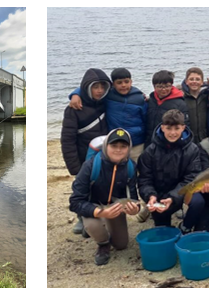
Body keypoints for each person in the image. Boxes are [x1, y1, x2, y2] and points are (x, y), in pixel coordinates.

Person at [69, 128, 140, 265]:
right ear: (106, 146)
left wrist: (135, 210)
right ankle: (103, 244)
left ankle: (104, 228)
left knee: (121, 244)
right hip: (94, 206)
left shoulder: (131, 167)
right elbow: (75, 202)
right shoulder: (90, 166)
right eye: (114, 146)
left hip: (116, 206)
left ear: (129, 148)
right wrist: (100, 212)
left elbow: (133, 197)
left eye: (123, 146)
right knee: (93, 226)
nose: (118, 150)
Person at [62, 68, 113, 235]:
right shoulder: (74, 108)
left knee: (102, 186)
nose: (99, 91)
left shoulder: (106, 102)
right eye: (95, 87)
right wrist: (74, 166)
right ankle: (81, 218)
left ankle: (99, 216)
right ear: (87, 87)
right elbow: (67, 140)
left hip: (104, 155)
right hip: (83, 156)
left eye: (102, 87)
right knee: (82, 188)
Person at [138, 109, 204, 230]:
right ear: (162, 128)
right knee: (163, 230)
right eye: (168, 128)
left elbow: (191, 177)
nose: (172, 133)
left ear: (183, 128)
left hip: (182, 192)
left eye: (176, 128)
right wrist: (150, 196)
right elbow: (145, 180)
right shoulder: (149, 152)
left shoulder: (193, 150)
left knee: (198, 201)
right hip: (160, 195)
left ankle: (185, 226)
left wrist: (173, 197)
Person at [69, 68, 149, 160]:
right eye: (119, 83)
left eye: (126, 82)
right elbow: (86, 89)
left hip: (137, 142)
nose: (123, 85)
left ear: (131, 82)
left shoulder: (139, 98)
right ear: (112, 84)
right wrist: (75, 94)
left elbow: (146, 120)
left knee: (135, 169)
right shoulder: (108, 95)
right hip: (115, 142)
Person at [145, 70, 190, 144]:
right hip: (150, 142)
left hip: (170, 142)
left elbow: (185, 126)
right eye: (160, 86)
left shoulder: (180, 103)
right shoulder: (150, 100)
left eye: (167, 86)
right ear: (153, 86)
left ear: (172, 85)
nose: (163, 89)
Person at [182, 67, 209, 142]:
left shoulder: (207, 97)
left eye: (197, 79)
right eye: (191, 79)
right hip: (188, 139)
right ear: (186, 81)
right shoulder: (182, 99)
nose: (194, 82)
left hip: (205, 138)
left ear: (202, 82)